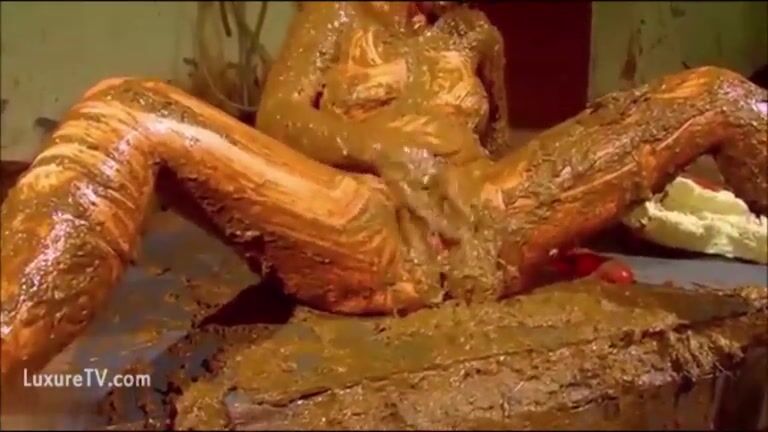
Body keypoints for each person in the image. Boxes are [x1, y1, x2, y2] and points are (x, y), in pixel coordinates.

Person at [1, 1, 765, 384]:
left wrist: (563, 220)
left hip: (490, 219)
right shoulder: (339, 13)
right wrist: (380, 146)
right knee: (125, 110)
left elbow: (499, 141)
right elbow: (279, 117)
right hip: (361, 224)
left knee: (718, 95)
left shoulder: (475, 34)